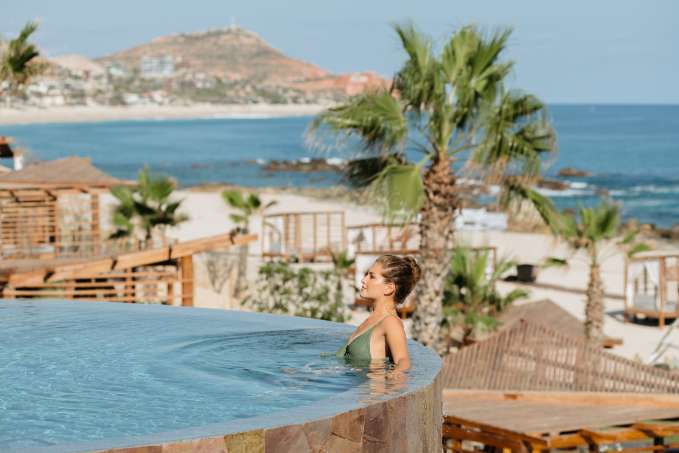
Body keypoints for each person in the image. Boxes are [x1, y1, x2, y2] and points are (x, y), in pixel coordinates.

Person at [336, 255, 421, 372]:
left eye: (372, 276)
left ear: (388, 288)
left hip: (371, 384)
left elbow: (403, 361)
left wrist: (394, 377)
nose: (363, 280)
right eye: (366, 274)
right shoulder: (374, 319)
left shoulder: (390, 322)